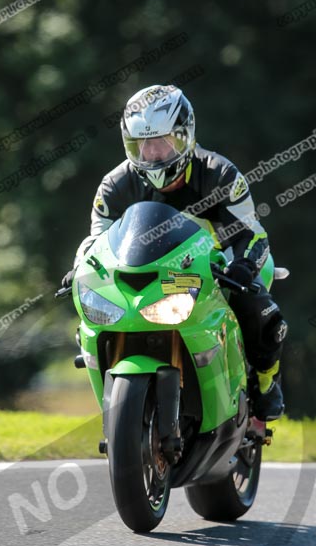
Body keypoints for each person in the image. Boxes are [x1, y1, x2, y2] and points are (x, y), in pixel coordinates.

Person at [61, 85, 287, 421]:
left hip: (215, 269)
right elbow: (96, 241)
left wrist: (242, 268)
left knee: (257, 307)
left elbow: (253, 235)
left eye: (161, 142)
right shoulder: (113, 185)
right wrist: (79, 268)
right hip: (156, 278)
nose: (152, 153)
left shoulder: (221, 174)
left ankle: (266, 384)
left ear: (184, 136)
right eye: (141, 144)